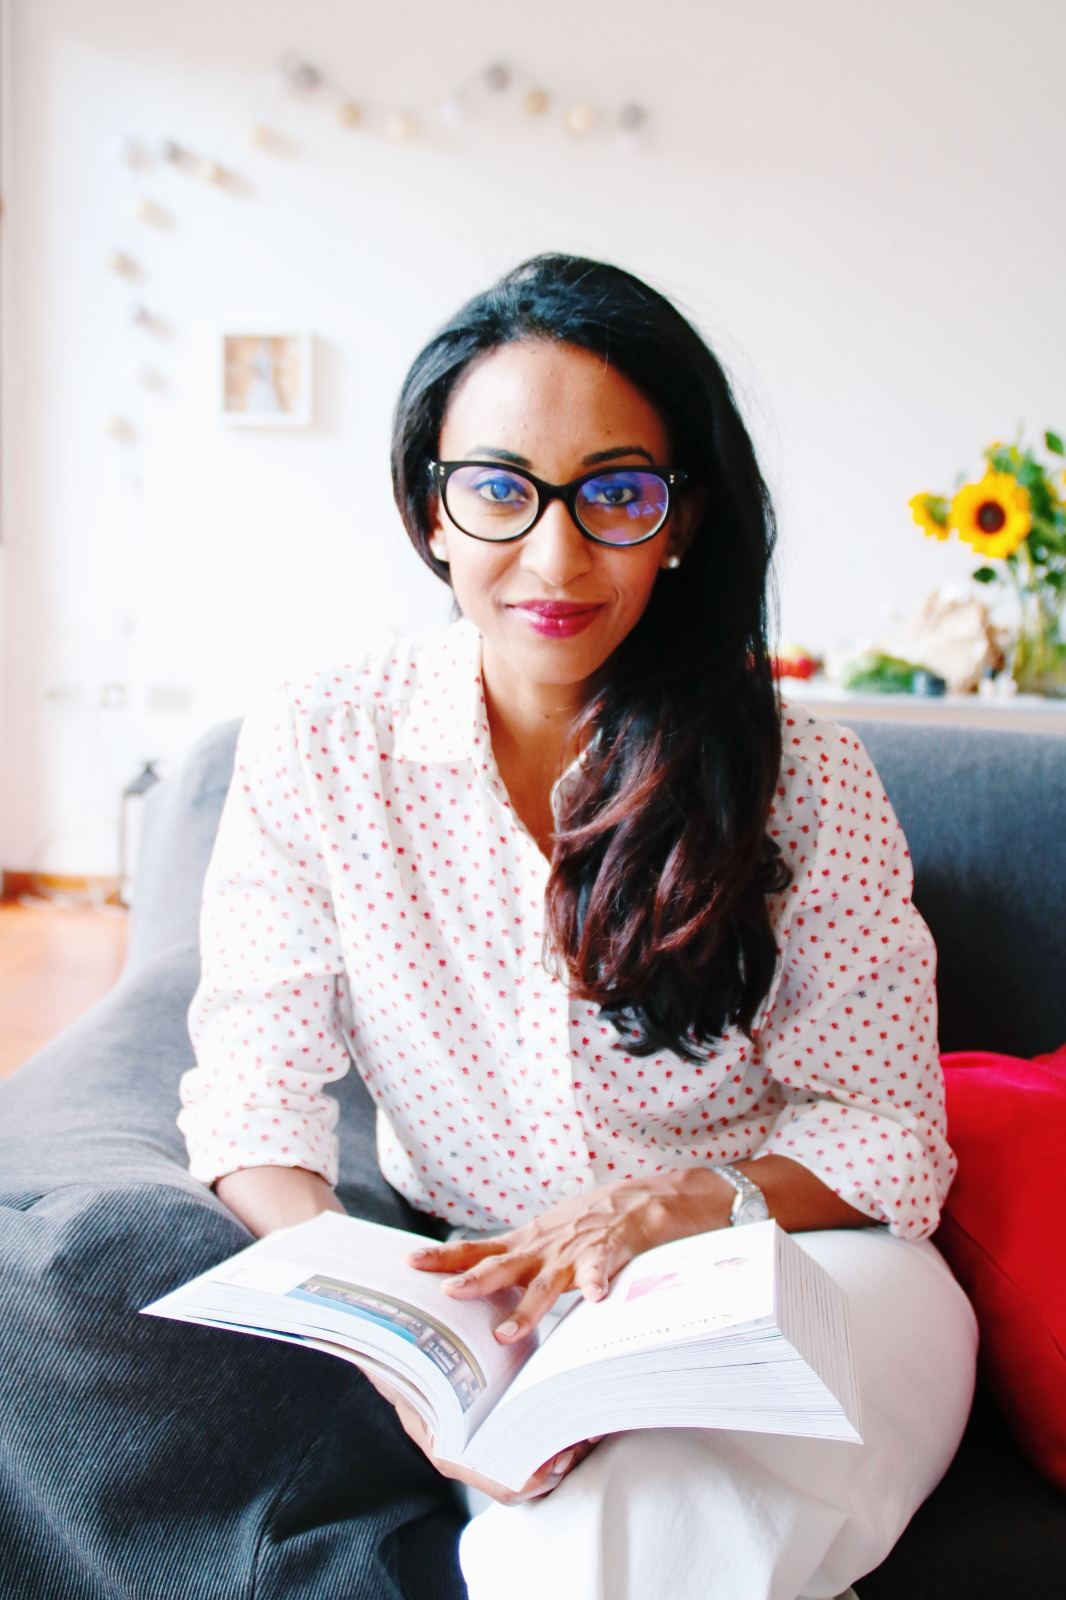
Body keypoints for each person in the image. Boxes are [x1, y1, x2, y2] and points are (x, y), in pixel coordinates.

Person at [179, 253, 977, 1600]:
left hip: (804, 1273)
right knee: (579, 1541)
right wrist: (387, 1333)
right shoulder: (322, 739)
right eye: (499, 488)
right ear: (427, 511)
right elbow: (251, 1107)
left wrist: (675, 1206)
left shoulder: (802, 775)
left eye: (614, 492)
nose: (553, 555)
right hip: (513, 1302)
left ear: (681, 518)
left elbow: (888, 1133)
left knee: (627, 1521)